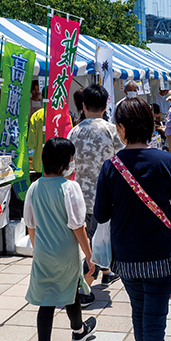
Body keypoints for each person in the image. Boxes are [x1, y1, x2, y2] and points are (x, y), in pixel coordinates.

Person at [94, 97, 171, 341]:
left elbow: (101, 214)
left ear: (122, 128)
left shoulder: (111, 167)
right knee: (154, 324)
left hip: (125, 256)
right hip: (160, 253)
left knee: (139, 314)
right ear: (151, 125)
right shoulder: (164, 160)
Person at [24, 137, 97, 341]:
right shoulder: (70, 188)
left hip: (43, 252)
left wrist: (38, 250)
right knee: (71, 290)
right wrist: (89, 254)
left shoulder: (34, 188)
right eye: (72, 159)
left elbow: (30, 224)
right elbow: (78, 225)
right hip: (66, 253)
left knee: (47, 300)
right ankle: (78, 331)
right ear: (65, 162)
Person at [67, 84, 124, 307]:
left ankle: (107, 272)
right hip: (107, 198)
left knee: (94, 242)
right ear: (106, 104)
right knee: (98, 247)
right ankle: (82, 288)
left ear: (83, 105)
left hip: (80, 197)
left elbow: (69, 168)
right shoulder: (112, 130)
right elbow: (123, 162)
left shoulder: (74, 131)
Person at [28, 108, 72, 182]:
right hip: (61, 165)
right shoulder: (65, 115)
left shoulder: (37, 115)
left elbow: (31, 143)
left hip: (40, 164)